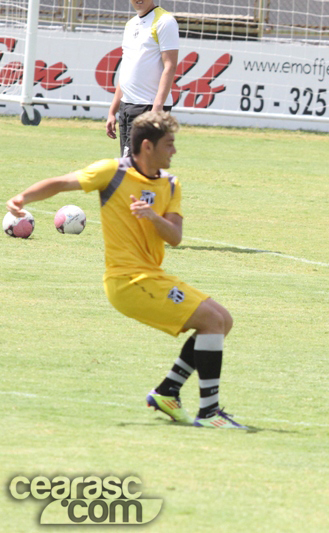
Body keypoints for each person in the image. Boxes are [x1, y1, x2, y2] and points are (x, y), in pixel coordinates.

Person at [6, 111, 246, 429]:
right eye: (169, 144)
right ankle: (210, 413)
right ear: (147, 146)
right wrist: (23, 197)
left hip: (153, 277)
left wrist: (153, 217)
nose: (174, 150)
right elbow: (62, 183)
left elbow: (175, 237)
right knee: (212, 320)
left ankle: (168, 391)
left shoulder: (171, 184)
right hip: (127, 281)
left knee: (222, 320)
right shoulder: (113, 172)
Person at [106, 0, 179, 158]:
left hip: (148, 106)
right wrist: (113, 111)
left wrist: (156, 109)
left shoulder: (165, 21)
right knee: (132, 163)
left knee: (136, 164)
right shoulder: (131, 24)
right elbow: (126, 70)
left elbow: (170, 66)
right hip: (127, 106)